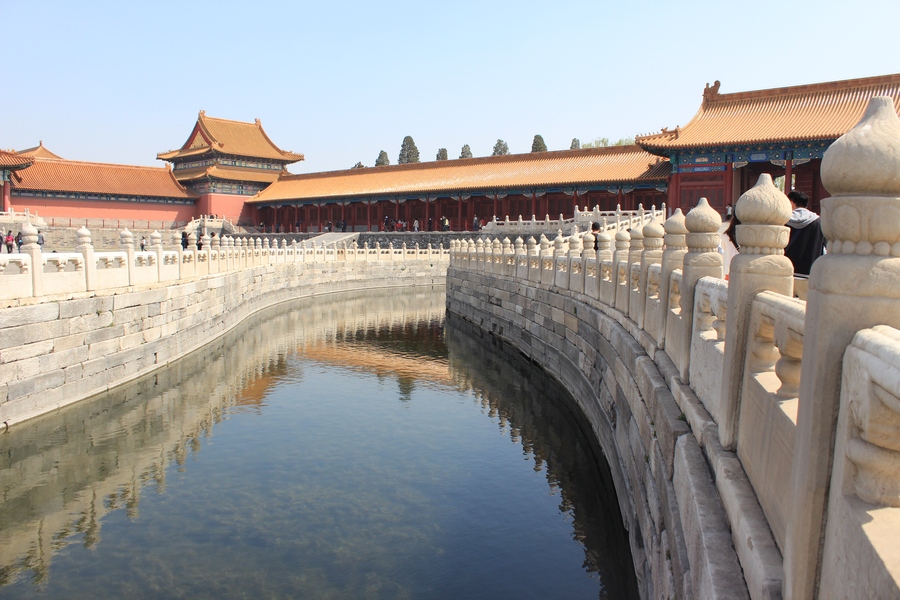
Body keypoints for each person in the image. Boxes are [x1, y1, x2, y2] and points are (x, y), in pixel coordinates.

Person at [784, 190, 825, 275]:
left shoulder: (783, 220)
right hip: (811, 273)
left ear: (791, 203)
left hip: (787, 271)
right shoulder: (818, 222)